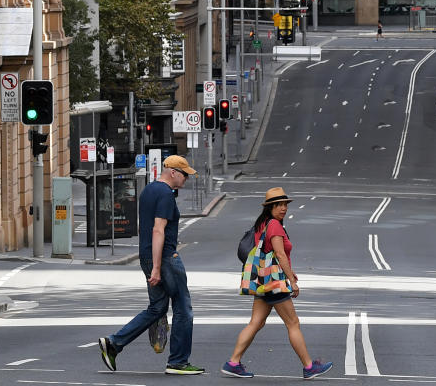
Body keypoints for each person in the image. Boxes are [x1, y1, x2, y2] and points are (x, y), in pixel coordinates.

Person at [99, 155, 205, 376]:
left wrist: (151, 263)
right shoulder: (166, 194)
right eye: (184, 174)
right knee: (184, 308)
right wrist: (157, 267)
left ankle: (114, 343)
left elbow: (144, 227)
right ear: (173, 172)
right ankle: (178, 362)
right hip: (165, 257)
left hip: (146, 255)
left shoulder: (148, 190)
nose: (186, 179)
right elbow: (158, 230)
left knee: (157, 308)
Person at [221, 188, 333, 380]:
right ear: (269, 207)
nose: (283, 209)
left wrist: (288, 270)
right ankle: (308, 367)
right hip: (273, 282)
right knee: (293, 323)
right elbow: (279, 254)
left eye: (285, 205)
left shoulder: (262, 224)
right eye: (278, 205)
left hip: (263, 281)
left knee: (256, 322)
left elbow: (271, 254)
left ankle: (233, 362)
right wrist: (291, 281)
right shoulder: (274, 225)